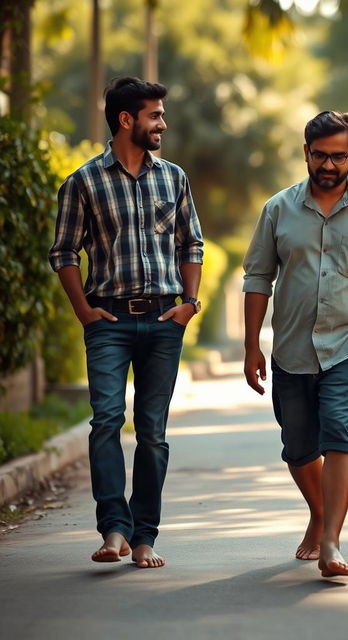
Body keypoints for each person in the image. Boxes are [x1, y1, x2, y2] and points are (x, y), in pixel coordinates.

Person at [242, 110, 348, 577]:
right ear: (306, 153)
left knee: (340, 433)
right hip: (291, 348)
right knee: (298, 447)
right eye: (320, 156)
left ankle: (332, 540)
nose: (329, 166)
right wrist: (252, 345)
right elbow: (258, 278)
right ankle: (318, 512)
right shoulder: (278, 209)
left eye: (339, 156)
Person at [49, 76, 204, 568]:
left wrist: (190, 302)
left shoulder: (173, 178)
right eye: (154, 115)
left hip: (164, 319)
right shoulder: (83, 181)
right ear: (126, 120)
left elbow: (191, 243)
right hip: (109, 321)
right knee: (106, 422)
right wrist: (83, 311)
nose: (162, 123)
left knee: (153, 431)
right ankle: (113, 529)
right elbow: (63, 251)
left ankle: (145, 537)